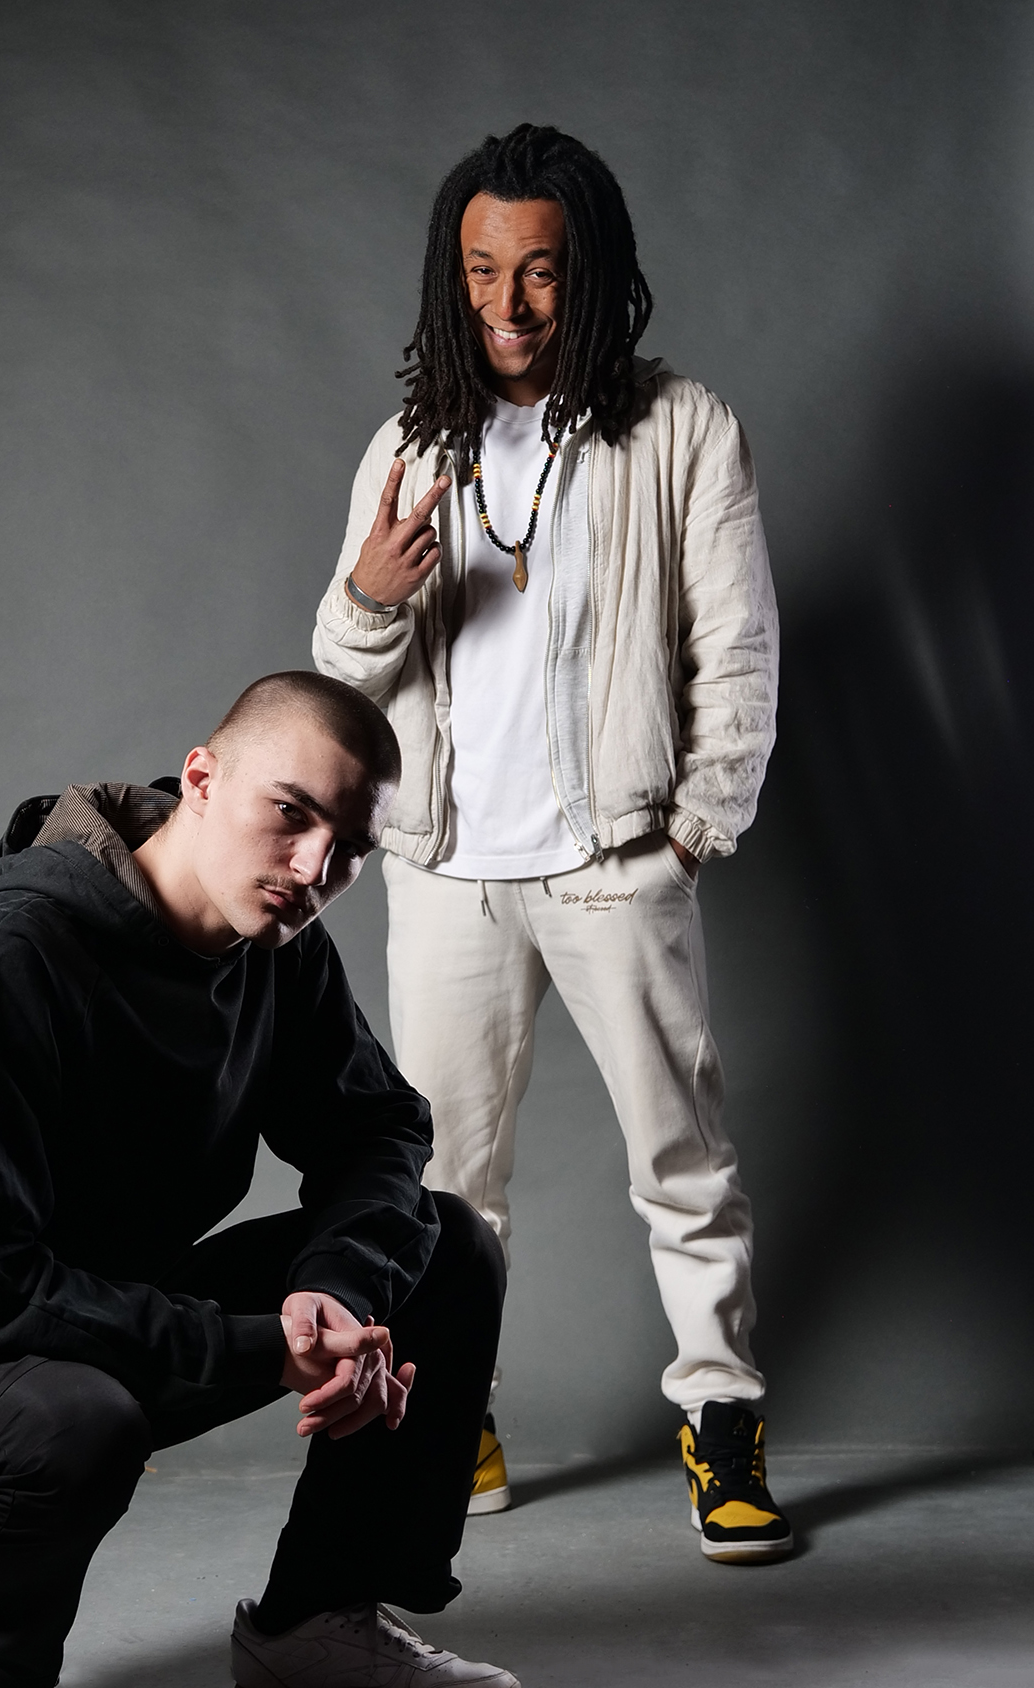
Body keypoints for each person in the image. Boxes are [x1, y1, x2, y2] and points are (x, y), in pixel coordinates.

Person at [0, 671, 519, 1688]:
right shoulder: (17, 946)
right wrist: (261, 1348)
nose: (312, 870)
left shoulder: (275, 943)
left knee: (445, 1247)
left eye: (348, 850)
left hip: (114, 1316)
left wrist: (330, 1293)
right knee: (76, 1418)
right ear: (201, 778)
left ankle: (316, 1630)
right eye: (291, 814)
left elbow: (376, 1127)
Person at [312, 124, 790, 1563]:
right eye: (479, 271)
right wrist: (368, 595)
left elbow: (737, 645)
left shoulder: (681, 430)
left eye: (536, 271)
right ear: (448, 276)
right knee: (446, 1186)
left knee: (681, 1161)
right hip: (446, 871)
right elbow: (341, 686)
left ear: (590, 273)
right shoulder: (410, 446)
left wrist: (694, 828)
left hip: (612, 863)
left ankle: (721, 1419)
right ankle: (457, 1416)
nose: (507, 304)